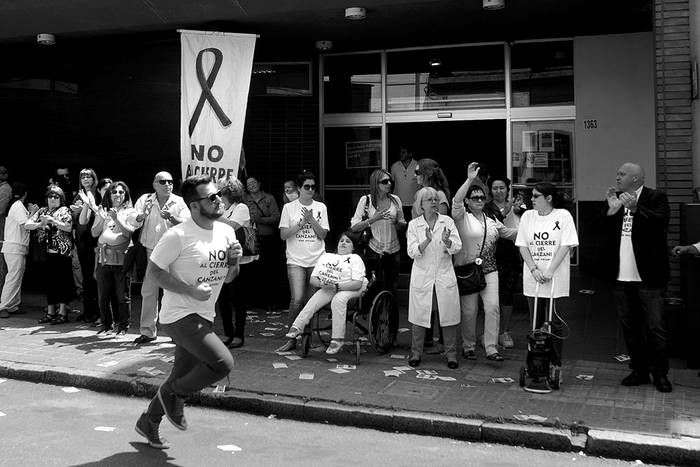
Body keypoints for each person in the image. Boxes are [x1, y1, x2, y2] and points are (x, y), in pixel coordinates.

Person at [134, 175, 240, 450]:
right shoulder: (178, 235)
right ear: (194, 206)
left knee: (179, 373)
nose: (219, 200)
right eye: (212, 197)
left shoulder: (226, 232)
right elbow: (154, 272)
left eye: (218, 195)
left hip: (205, 314)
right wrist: (189, 291)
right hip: (178, 315)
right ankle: (175, 396)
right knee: (222, 363)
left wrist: (234, 261)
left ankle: (149, 421)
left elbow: (229, 278)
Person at [598, 162, 672, 393]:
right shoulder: (617, 199)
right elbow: (598, 230)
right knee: (630, 327)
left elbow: (661, 223)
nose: (617, 177)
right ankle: (639, 370)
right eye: (617, 173)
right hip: (622, 277)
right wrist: (610, 211)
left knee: (655, 327)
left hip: (649, 277)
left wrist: (638, 209)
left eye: (622, 174)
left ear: (637, 179)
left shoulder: (656, 197)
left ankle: (660, 374)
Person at [453, 164, 517, 362]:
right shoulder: (462, 218)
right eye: (475, 198)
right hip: (468, 269)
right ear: (468, 201)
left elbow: (509, 233)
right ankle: (468, 346)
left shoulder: (491, 219)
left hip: (490, 269)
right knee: (470, 311)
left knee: (492, 307)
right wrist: (470, 179)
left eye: (482, 197)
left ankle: (491, 347)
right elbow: (455, 201)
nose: (480, 200)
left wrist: (535, 227)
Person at [516, 182, 578, 385]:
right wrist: (534, 269)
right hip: (533, 276)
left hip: (555, 278)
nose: (531, 199)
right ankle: (533, 362)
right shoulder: (527, 216)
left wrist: (550, 271)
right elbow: (523, 245)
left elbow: (566, 244)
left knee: (554, 323)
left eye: (536, 196)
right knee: (534, 323)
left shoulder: (563, 216)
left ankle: (555, 363)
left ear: (548, 198)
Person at [285, 231, 367, 354]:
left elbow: (357, 283)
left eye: (348, 241)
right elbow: (313, 279)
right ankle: (298, 325)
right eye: (342, 240)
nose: (344, 243)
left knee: (338, 299)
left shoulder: (355, 259)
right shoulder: (327, 257)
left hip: (351, 287)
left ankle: (338, 339)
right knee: (316, 297)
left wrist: (337, 286)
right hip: (331, 286)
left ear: (353, 247)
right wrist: (322, 284)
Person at [407, 187, 462, 369]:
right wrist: (427, 240)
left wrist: (447, 241)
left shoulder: (447, 221)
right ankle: (416, 353)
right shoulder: (414, 225)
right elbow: (412, 251)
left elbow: (457, 247)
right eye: (429, 199)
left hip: (444, 275)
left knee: (448, 316)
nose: (434, 202)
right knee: (419, 317)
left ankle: (451, 355)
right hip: (423, 277)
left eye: (436, 199)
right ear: (421, 204)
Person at [132, 171, 190, 344]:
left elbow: (188, 224)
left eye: (170, 182)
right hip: (151, 253)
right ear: (154, 184)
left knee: (172, 294)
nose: (167, 185)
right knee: (148, 292)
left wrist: (171, 217)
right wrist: (143, 214)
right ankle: (148, 332)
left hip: (173, 254)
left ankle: (176, 333)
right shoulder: (145, 200)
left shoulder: (178, 202)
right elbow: (132, 221)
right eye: (163, 181)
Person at [276, 171, 329, 353]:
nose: (310, 190)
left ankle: (307, 338)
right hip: (296, 260)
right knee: (297, 300)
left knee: (310, 302)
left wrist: (312, 220)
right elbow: (283, 235)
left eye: (313, 186)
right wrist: (301, 223)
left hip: (316, 259)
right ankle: (292, 338)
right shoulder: (289, 208)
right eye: (307, 186)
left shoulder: (321, 207)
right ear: (299, 189)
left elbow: (323, 235)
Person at [91, 181, 139, 335]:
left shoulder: (130, 211)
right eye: (114, 192)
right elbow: (94, 233)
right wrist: (101, 218)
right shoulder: (104, 210)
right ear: (109, 195)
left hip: (120, 260)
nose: (117, 195)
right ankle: (106, 325)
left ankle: (123, 327)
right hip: (103, 259)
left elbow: (129, 233)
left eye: (121, 192)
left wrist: (116, 218)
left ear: (125, 195)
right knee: (103, 296)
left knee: (122, 296)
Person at [350, 169, 406, 296]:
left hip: (394, 248)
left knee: (393, 286)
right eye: (384, 181)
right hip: (373, 248)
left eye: (390, 181)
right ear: (376, 184)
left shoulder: (396, 200)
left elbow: (403, 225)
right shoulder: (366, 200)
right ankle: (372, 314)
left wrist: (396, 222)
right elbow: (354, 227)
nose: (389, 184)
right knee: (373, 285)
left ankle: (390, 314)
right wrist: (374, 219)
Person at [25, 185, 75, 324]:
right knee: (49, 283)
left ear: (61, 199)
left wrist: (53, 221)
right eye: (50, 196)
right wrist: (40, 224)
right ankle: (50, 311)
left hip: (61, 253)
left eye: (56, 196)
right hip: (46, 252)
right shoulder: (42, 210)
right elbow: (27, 224)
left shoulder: (64, 210)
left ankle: (63, 313)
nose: (53, 199)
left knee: (63, 283)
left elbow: (68, 227)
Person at [485, 175, 523, 349]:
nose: (498, 191)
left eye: (502, 188)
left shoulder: (519, 206)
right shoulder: (486, 208)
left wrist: (518, 210)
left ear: (508, 189)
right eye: (495, 188)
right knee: (492, 297)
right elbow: (493, 224)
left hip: (512, 255)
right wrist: (506, 210)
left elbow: (525, 227)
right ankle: (490, 332)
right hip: (492, 255)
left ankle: (504, 332)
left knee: (508, 294)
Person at [216, 178, 254, 348]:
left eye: (221, 193)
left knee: (238, 299)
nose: (218, 196)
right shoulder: (220, 208)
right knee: (222, 298)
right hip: (222, 259)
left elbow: (232, 226)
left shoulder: (241, 208)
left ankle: (239, 335)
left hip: (241, 260)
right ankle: (227, 333)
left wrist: (215, 214)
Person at [0, 183, 39, 318]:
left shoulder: (17, 206)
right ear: (25, 193)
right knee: (13, 277)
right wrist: (38, 219)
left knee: (17, 276)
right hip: (14, 247)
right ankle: (3, 306)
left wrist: (31, 213)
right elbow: (27, 225)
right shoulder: (17, 206)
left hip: (17, 247)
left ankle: (12, 305)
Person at [244, 176, 282, 311]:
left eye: (254, 182)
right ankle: (253, 302)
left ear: (259, 184)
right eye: (249, 184)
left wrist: (261, 220)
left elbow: (277, 217)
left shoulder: (269, 198)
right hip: (250, 238)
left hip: (267, 238)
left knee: (268, 270)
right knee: (252, 270)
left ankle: (269, 302)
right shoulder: (244, 199)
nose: (252, 185)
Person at [71, 168, 100, 323]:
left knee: (94, 276)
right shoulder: (78, 195)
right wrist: (75, 211)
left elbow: (99, 214)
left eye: (89, 176)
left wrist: (85, 207)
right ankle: (87, 310)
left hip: (93, 239)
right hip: (81, 240)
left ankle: (97, 312)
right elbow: (75, 218)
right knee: (85, 277)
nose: (86, 179)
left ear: (94, 178)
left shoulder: (97, 194)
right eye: (83, 176)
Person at [390, 146, 419, 222]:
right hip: (398, 205)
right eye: (400, 152)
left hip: (414, 204)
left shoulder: (417, 166)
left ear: (410, 154)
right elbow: (391, 184)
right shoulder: (394, 166)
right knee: (400, 228)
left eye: (403, 152)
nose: (400, 154)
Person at [0, 166, 12, 296]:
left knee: (2, 265)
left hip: (1, 231)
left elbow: (1, 210)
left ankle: (2, 297)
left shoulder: (4, 189)